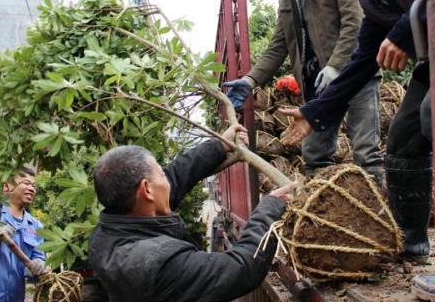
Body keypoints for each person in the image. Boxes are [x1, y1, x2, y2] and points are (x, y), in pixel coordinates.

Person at [280, 0, 433, 266]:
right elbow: (362, 61)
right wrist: (313, 112)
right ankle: (412, 245)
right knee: (403, 137)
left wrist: (402, 32)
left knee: (433, 115)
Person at [224, 0, 384, 180]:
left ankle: (379, 216)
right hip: (319, 86)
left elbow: (355, 21)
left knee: (366, 151)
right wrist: (250, 79)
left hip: (356, 74)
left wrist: (335, 64)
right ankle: (327, 213)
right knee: (315, 154)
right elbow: (279, 45)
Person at [89, 124, 296, 302]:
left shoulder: (105, 236)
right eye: (160, 174)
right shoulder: (160, 265)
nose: (167, 181)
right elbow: (241, 269)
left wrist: (219, 146)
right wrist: (270, 207)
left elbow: (175, 176)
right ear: (147, 190)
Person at [0, 166, 47, 302]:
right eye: (26, 183)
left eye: (34, 185)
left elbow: (37, 263)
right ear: (7, 186)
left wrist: (38, 266)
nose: (32, 188)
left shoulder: (36, 226)